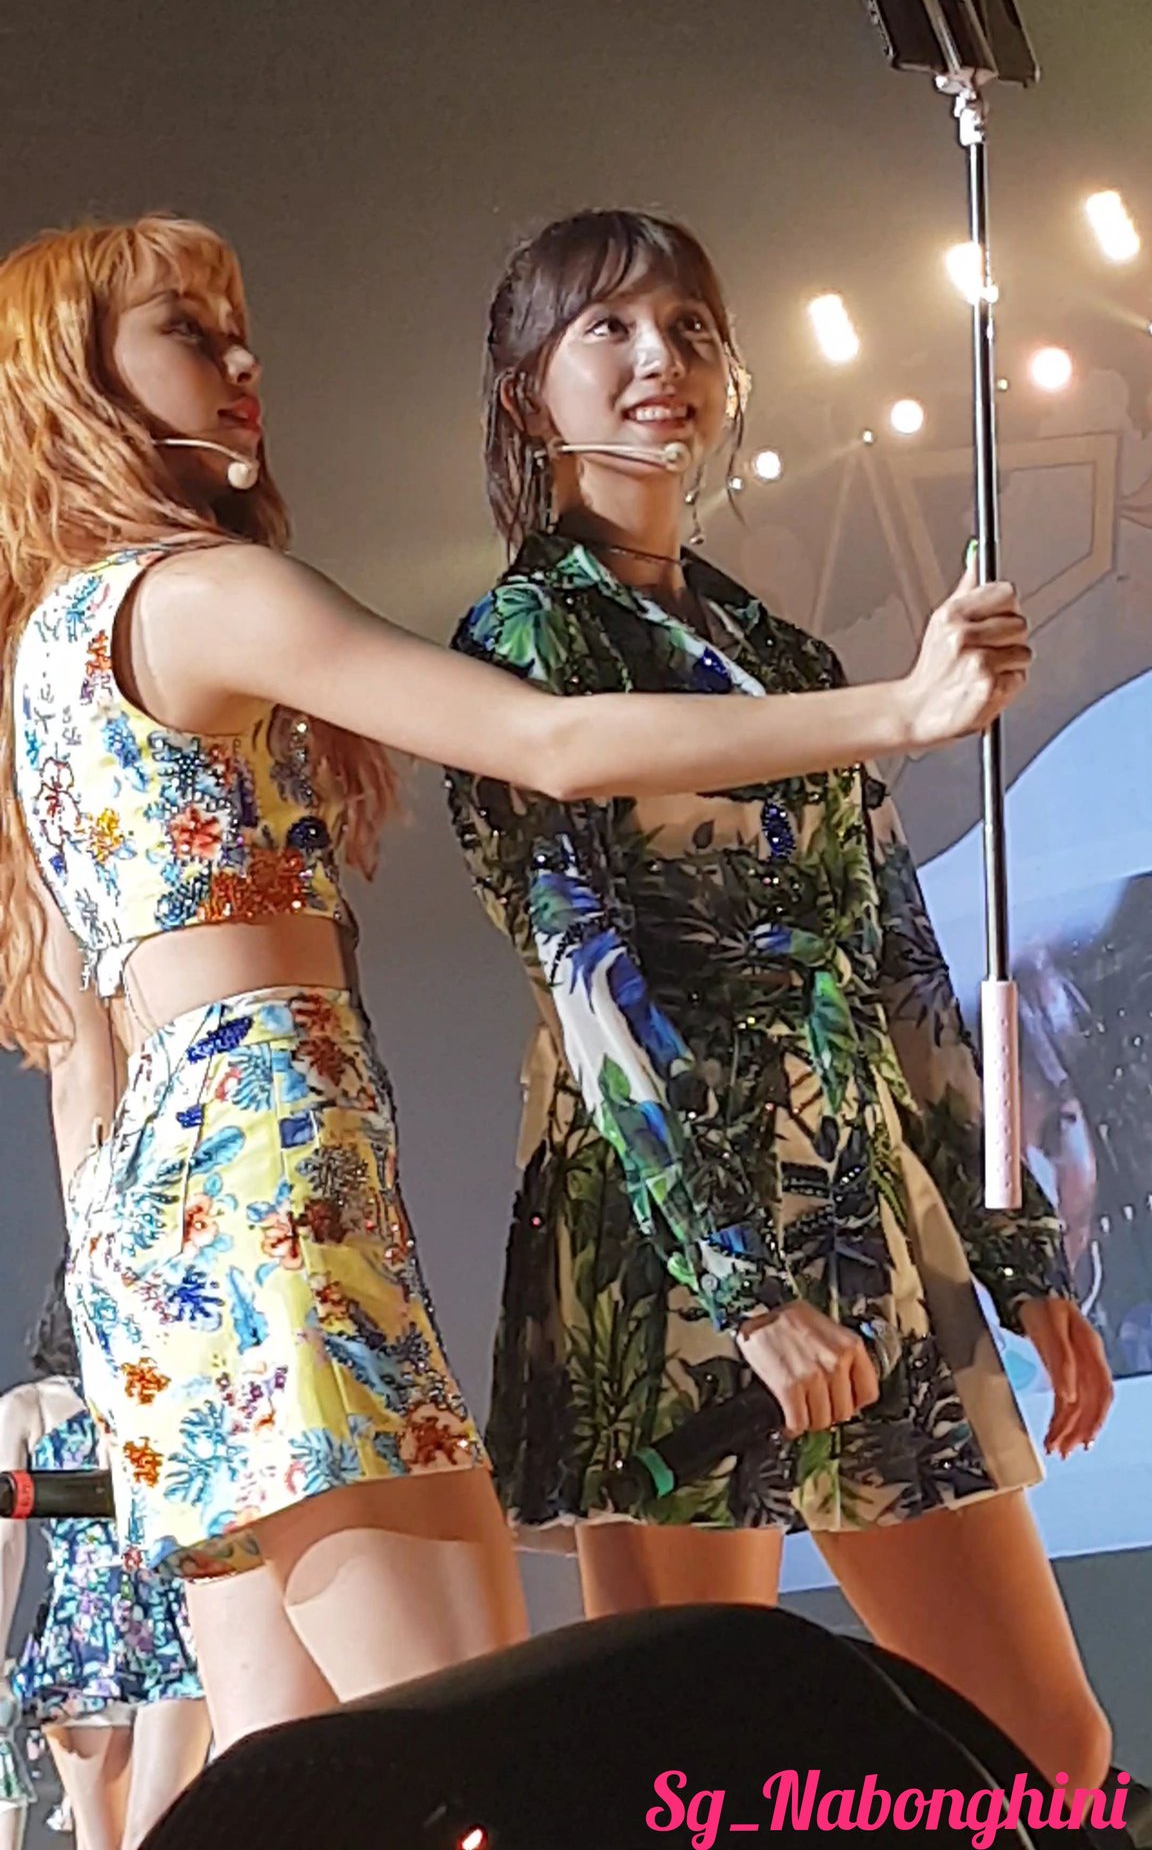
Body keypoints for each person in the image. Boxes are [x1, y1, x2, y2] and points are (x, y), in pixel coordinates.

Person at [0, 213, 1025, 1750]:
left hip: (161, 1229)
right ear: (74, 376)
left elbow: (74, 1038)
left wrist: (108, 1314)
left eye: (232, 321)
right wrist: (902, 709)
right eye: (186, 331)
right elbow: (547, 739)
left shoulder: (49, 645)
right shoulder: (203, 594)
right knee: (480, 1746)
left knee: (280, 1772)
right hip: (274, 1185)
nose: (242, 359)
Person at [445, 207, 1115, 1789]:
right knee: (680, 1768)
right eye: (609, 328)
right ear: (528, 389)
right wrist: (742, 1284)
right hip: (667, 1240)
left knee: (1049, 1747)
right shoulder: (524, 640)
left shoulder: (780, 650)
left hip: (863, 1212)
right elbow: (586, 982)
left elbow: (900, 970)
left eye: (689, 326)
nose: (659, 358)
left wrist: (1018, 1256)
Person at [0, 1264, 208, 1850]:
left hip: (90, 1629)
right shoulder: (161, 1400)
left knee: (119, 1837)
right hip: (163, 1622)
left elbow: (6, 1545)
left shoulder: (30, 1407)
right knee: (150, 1832)